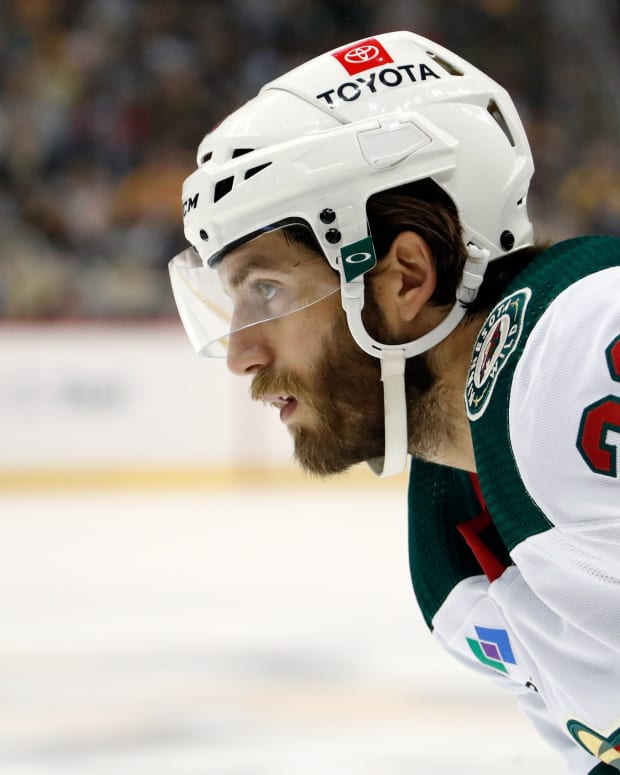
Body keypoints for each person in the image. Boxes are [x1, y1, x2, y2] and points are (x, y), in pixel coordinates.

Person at [168, 31, 620, 774]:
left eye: (267, 290)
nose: (243, 355)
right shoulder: (460, 553)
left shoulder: (574, 349)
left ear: (404, 276)